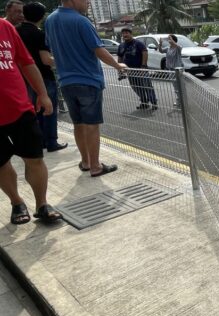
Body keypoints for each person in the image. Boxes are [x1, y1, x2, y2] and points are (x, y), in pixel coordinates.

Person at [45, 0, 127, 177]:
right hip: (88, 81)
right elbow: (99, 50)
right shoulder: (81, 21)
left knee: (78, 124)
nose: (89, 2)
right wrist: (118, 65)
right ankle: (96, 166)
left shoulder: (50, 20)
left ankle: (85, 162)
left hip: (66, 81)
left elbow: (51, 48)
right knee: (91, 125)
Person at [0, 18, 63, 224]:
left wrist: (42, 94)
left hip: (19, 108)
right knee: (1, 163)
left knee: (35, 158)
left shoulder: (5, 26)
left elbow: (26, 62)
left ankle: (42, 204)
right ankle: (17, 202)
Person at [17, 1, 67, 152]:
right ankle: (51, 142)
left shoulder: (15, 31)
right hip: (43, 77)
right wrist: (60, 61)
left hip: (23, 78)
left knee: (33, 110)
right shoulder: (38, 34)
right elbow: (46, 60)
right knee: (49, 110)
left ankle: (39, 141)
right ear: (41, 16)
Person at [117, 28, 157, 110]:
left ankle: (154, 103)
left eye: (127, 33)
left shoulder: (138, 43)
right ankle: (144, 102)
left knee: (147, 86)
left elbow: (145, 53)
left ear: (131, 34)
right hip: (130, 71)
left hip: (141, 70)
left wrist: (143, 66)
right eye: (123, 33)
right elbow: (120, 57)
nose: (125, 35)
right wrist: (119, 69)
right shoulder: (121, 46)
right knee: (136, 87)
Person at [159, 34, 182, 107]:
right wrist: (160, 44)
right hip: (170, 70)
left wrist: (171, 40)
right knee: (175, 87)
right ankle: (179, 100)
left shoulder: (178, 48)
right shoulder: (168, 48)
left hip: (177, 70)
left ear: (174, 40)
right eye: (168, 39)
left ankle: (182, 101)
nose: (168, 40)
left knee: (180, 86)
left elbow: (178, 47)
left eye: (170, 39)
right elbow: (161, 51)